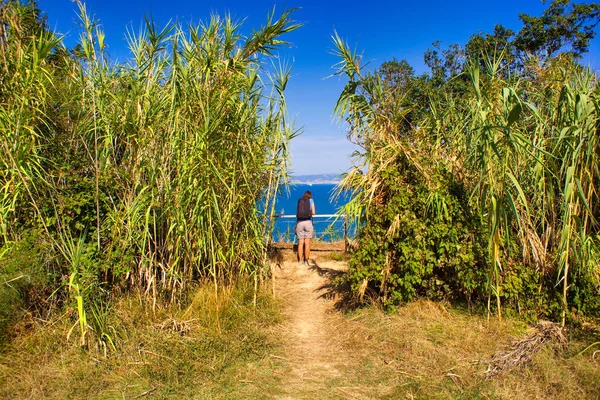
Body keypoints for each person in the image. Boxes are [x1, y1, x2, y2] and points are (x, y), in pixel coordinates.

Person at [295, 190, 316, 265]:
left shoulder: (300, 200)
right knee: (307, 243)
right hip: (308, 222)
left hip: (299, 222)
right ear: (310, 196)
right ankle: (306, 261)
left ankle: (300, 261)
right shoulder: (311, 200)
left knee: (300, 243)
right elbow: (313, 213)